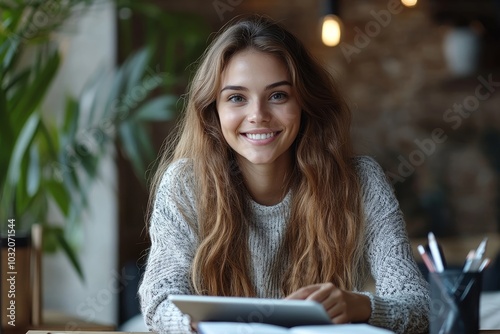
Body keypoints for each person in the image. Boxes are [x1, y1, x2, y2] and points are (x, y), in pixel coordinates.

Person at [138, 15, 429, 334]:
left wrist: (359, 306)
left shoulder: (360, 181)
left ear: (304, 103)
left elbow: (417, 308)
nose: (258, 115)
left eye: (278, 95)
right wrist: (192, 326)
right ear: (213, 110)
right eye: (237, 98)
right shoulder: (185, 183)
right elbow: (158, 303)